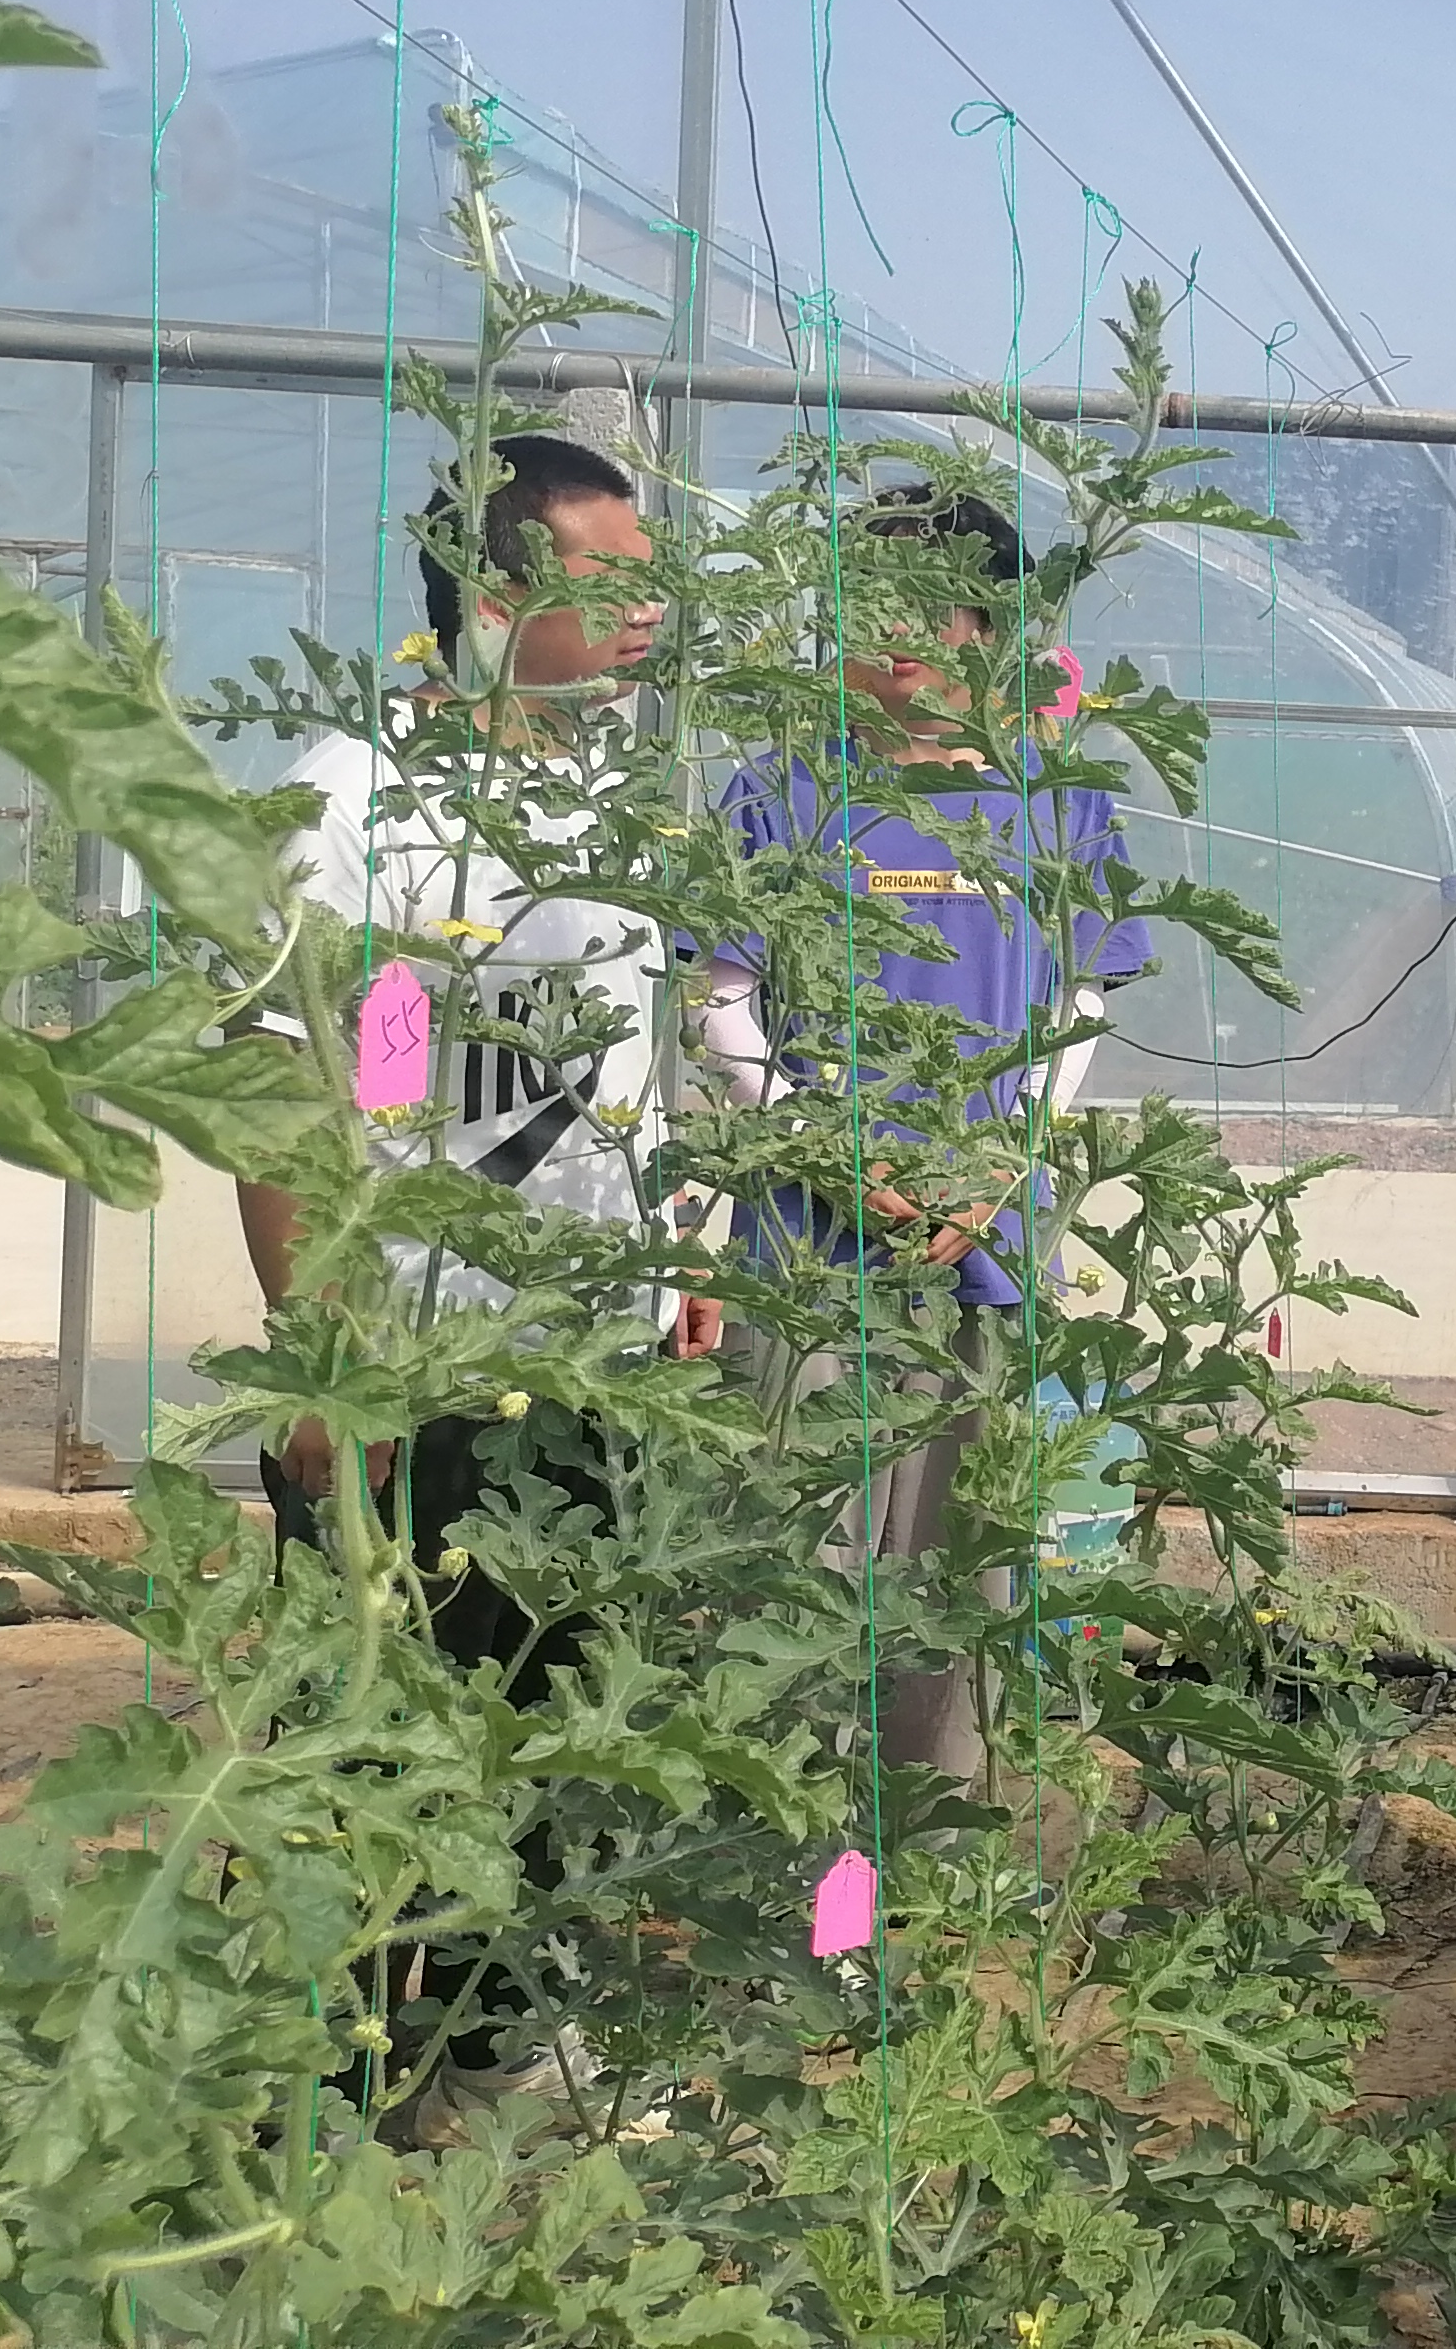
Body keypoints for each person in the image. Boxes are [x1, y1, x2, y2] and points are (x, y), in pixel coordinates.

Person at [240, 429, 701, 2129]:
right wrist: (325, 1356)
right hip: (420, 1371)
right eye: (614, 583)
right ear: (497, 595)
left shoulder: (605, 786)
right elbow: (305, 1099)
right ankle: (315, 2105)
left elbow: (627, 1061)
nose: (653, 612)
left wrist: (674, 1250)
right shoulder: (369, 802)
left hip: (592, 1364)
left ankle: (497, 2059)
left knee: (551, 1728)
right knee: (368, 1744)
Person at [694, 481, 1154, 1790]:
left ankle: (928, 1839)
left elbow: (1078, 1002)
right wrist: (829, 1149)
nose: (892, 635)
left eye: (927, 608)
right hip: (809, 1239)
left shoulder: (1058, 802)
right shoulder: (783, 791)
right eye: (865, 606)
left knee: (965, 1555)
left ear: (991, 629)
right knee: (799, 1545)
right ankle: (787, 1839)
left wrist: (1005, 1163)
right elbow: (722, 1002)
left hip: (984, 1235)